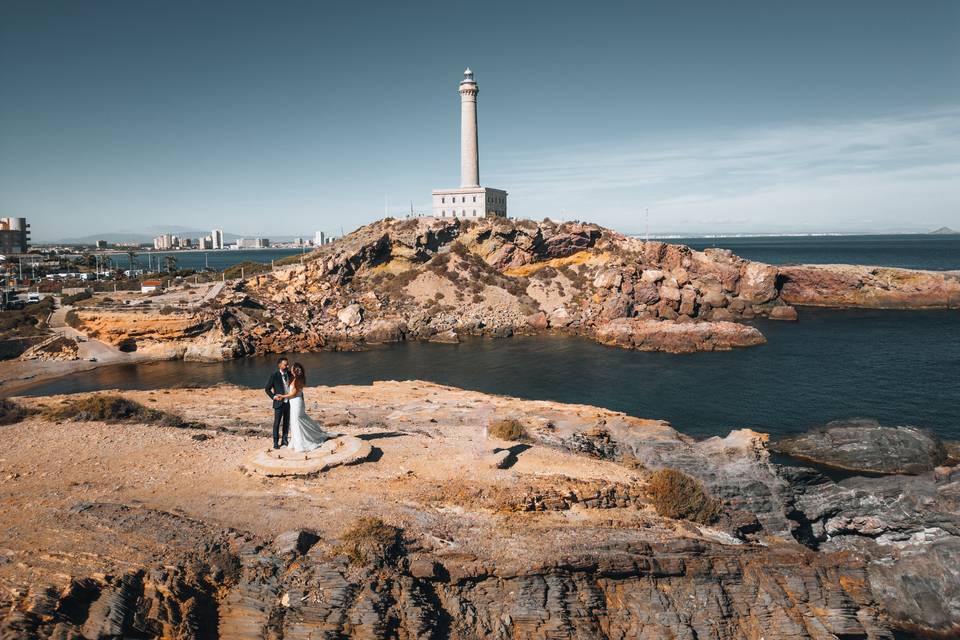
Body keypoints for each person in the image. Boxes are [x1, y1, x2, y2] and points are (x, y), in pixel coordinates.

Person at [273, 362, 337, 453]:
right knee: (296, 421)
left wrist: (282, 396)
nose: (290, 369)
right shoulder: (297, 379)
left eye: (292, 368)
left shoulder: (296, 380)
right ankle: (298, 442)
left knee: (296, 422)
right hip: (296, 402)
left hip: (296, 402)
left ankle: (300, 444)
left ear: (295, 370)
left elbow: (293, 394)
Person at [264, 356, 291, 449]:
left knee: (286, 422)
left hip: (288, 402)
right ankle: (275, 442)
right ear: (280, 365)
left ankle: (285, 439)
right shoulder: (274, 375)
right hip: (278, 403)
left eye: (287, 364)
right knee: (277, 423)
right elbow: (267, 389)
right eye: (285, 364)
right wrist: (274, 397)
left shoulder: (290, 374)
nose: (287, 366)